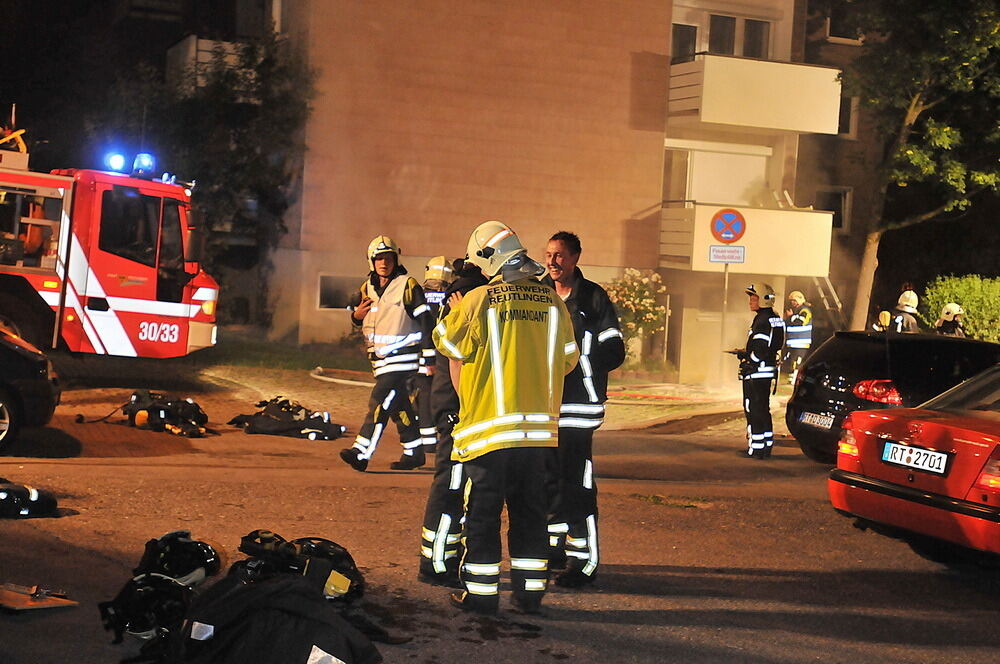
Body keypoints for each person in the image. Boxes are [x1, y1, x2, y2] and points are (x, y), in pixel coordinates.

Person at [433, 220, 578, 615]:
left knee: (482, 515)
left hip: (489, 434)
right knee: (531, 515)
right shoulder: (553, 302)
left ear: (487, 257)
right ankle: (530, 594)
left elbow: (445, 342)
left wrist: (458, 308)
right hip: (537, 436)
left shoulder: (480, 299)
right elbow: (568, 360)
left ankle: (481, 596)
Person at [540, 231, 624, 588]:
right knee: (547, 483)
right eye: (548, 255)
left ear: (575, 258)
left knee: (578, 486)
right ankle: (552, 550)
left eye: (559, 256)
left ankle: (583, 561)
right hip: (543, 407)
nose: (552, 262)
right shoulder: (538, 293)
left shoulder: (593, 297)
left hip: (579, 407)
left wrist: (582, 365)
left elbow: (614, 348)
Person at [417, 258, 488, 587]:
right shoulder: (470, 299)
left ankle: (441, 555)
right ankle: (435, 562)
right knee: (451, 485)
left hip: (447, 403)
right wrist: (467, 408)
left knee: (451, 483)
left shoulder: (460, 297)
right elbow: (459, 362)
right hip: (456, 406)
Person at [339, 235, 435, 472]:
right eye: (379, 258)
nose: (384, 263)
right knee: (398, 405)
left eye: (388, 258)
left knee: (379, 403)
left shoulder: (408, 285)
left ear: (396, 259)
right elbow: (363, 320)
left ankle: (361, 452)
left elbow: (426, 322)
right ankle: (414, 452)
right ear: (371, 261)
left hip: (403, 360)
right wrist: (355, 317)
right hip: (380, 362)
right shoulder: (366, 288)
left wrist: (429, 358)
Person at [414, 256, 458, 455]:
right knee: (440, 398)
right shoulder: (451, 297)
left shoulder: (421, 296)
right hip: (444, 358)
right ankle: (437, 438)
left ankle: (428, 441)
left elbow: (421, 327)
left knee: (424, 398)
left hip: (423, 358)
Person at [736, 284, 784, 460]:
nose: (750, 301)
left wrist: (748, 358)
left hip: (757, 372)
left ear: (764, 300)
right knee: (763, 409)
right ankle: (765, 447)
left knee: (754, 409)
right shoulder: (774, 318)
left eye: (754, 298)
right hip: (767, 371)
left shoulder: (762, 320)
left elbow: (760, 349)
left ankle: (756, 449)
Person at [782, 290, 813, 383]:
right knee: (792, 361)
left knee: (797, 362)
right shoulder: (796, 311)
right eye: (791, 301)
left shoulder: (805, 310)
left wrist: (790, 317)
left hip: (801, 343)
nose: (792, 303)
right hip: (793, 343)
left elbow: (801, 322)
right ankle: (792, 379)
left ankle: (795, 379)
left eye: (794, 300)